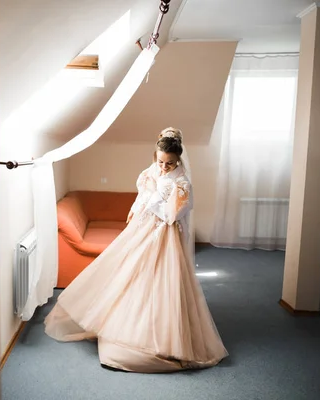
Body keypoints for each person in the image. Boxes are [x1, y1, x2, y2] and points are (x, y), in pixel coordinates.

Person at [44, 127, 228, 373]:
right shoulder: (153, 169)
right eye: (161, 161)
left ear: (179, 159)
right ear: (156, 155)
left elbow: (172, 216)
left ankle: (160, 337)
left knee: (162, 282)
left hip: (164, 236)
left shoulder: (182, 183)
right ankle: (126, 324)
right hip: (141, 229)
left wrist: (152, 199)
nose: (164, 167)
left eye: (170, 164)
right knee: (131, 275)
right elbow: (142, 194)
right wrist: (136, 206)